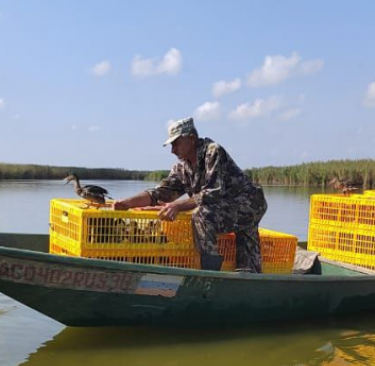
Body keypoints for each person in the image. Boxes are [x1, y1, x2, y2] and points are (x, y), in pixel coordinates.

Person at [113, 117, 268, 272]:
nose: (172, 150)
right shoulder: (182, 169)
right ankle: (250, 276)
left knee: (202, 215)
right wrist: (127, 203)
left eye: (176, 143)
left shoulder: (212, 151)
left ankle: (210, 277)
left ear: (191, 139)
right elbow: (159, 194)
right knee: (248, 265)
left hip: (250, 203)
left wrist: (177, 206)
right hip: (229, 207)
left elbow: (212, 193)